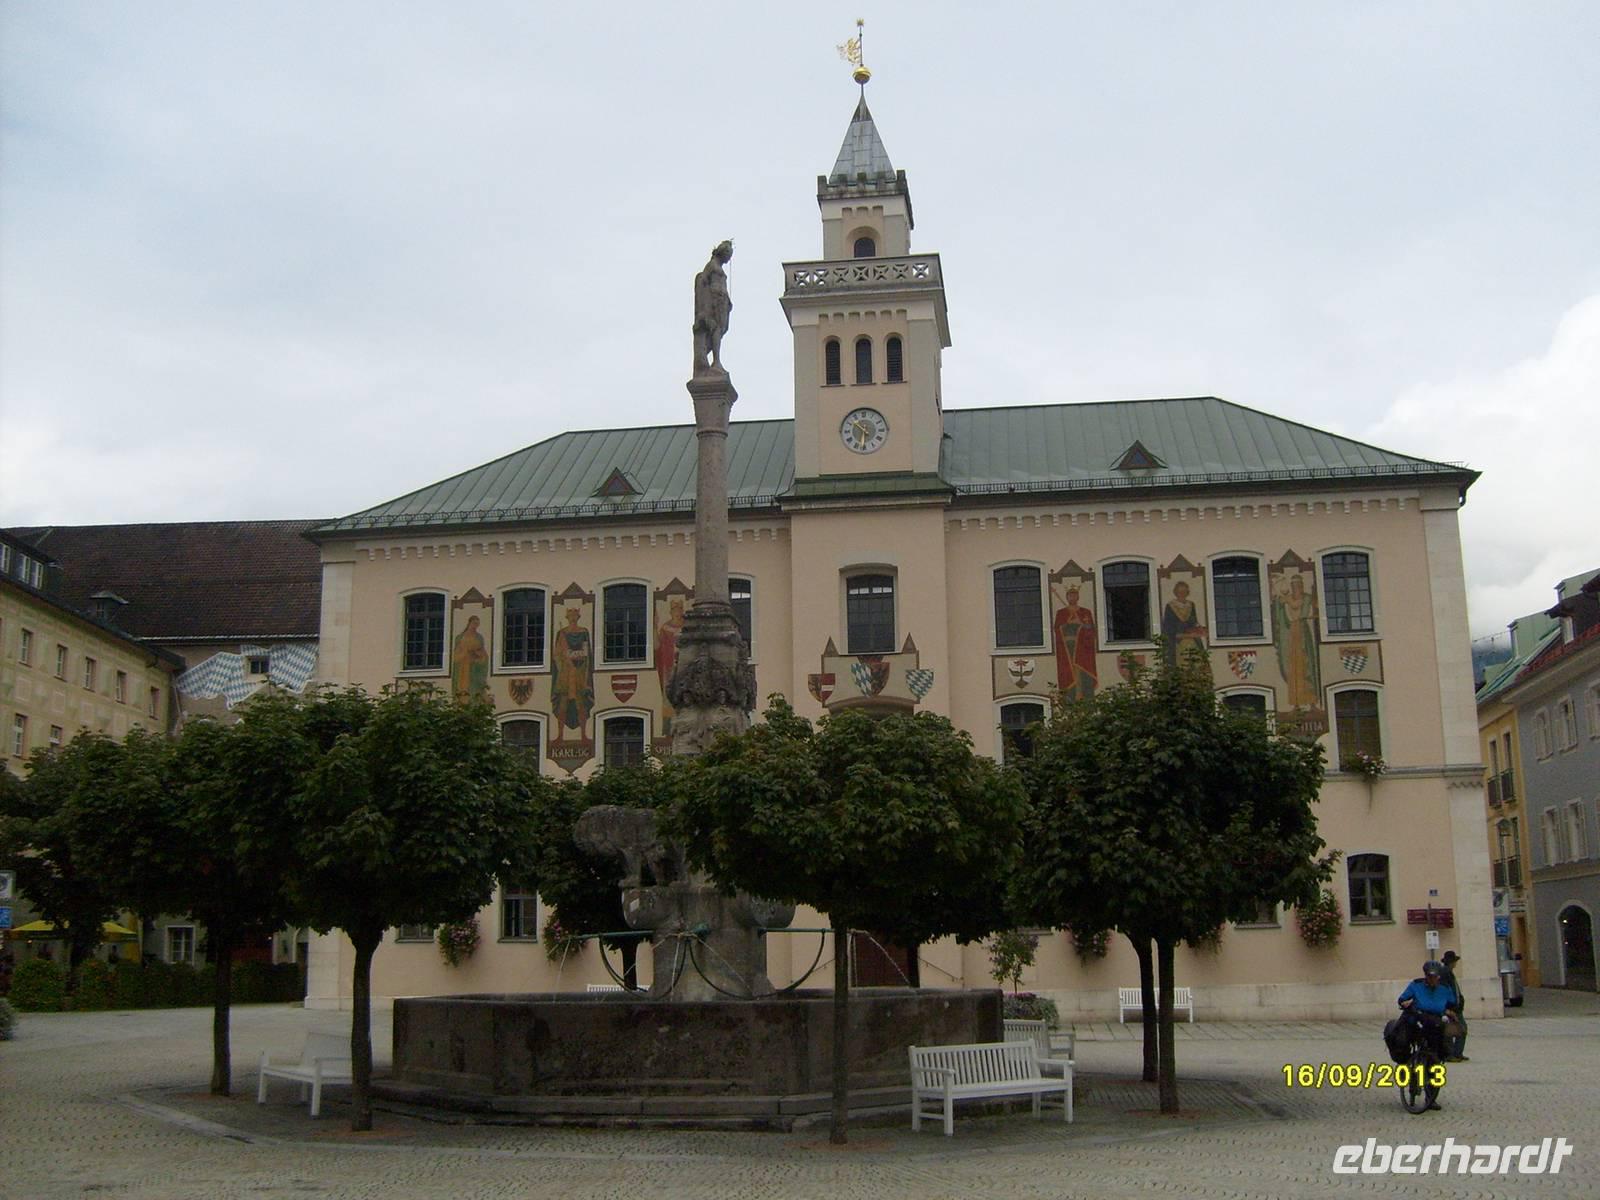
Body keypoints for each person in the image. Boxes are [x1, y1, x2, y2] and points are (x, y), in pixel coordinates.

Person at [1397, 960, 1458, 1110]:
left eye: (1436, 977)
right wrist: (1405, 1003)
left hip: (1435, 1023)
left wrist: (1450, 1012)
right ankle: (1408, 1069)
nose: (1434, 980)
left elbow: (1454, 1003)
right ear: (1426, 976)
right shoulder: (1416, 985)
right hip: (1418, 1021)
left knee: (1437, 1059)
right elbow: (1402, 999)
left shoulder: (1444, 989)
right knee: (1405, 1040)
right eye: (1431, 977)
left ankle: (1431, 1097)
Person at [1439, 949, 1469, 1061]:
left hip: (1454, 1006)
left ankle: (1456, 1053)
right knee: (1455, 1030)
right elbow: (1447, 991)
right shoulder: (1445, 973)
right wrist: (1450, 1006)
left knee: (1455, 1029)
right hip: (1451, 1007)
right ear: (1451, 962)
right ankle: (1452, 1054)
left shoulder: (1448, 972)